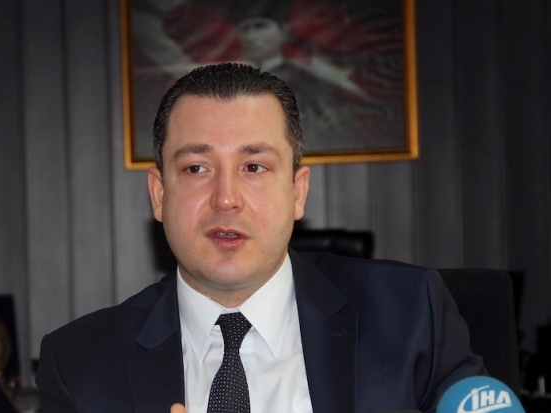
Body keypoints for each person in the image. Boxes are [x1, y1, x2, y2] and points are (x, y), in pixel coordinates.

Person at [36, 63, 484, 413]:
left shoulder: (411, 316)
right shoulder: (79, 362)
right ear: (159, 194)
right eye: (196, 168)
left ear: (297, 191)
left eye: (254, 167)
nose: (225, 199)